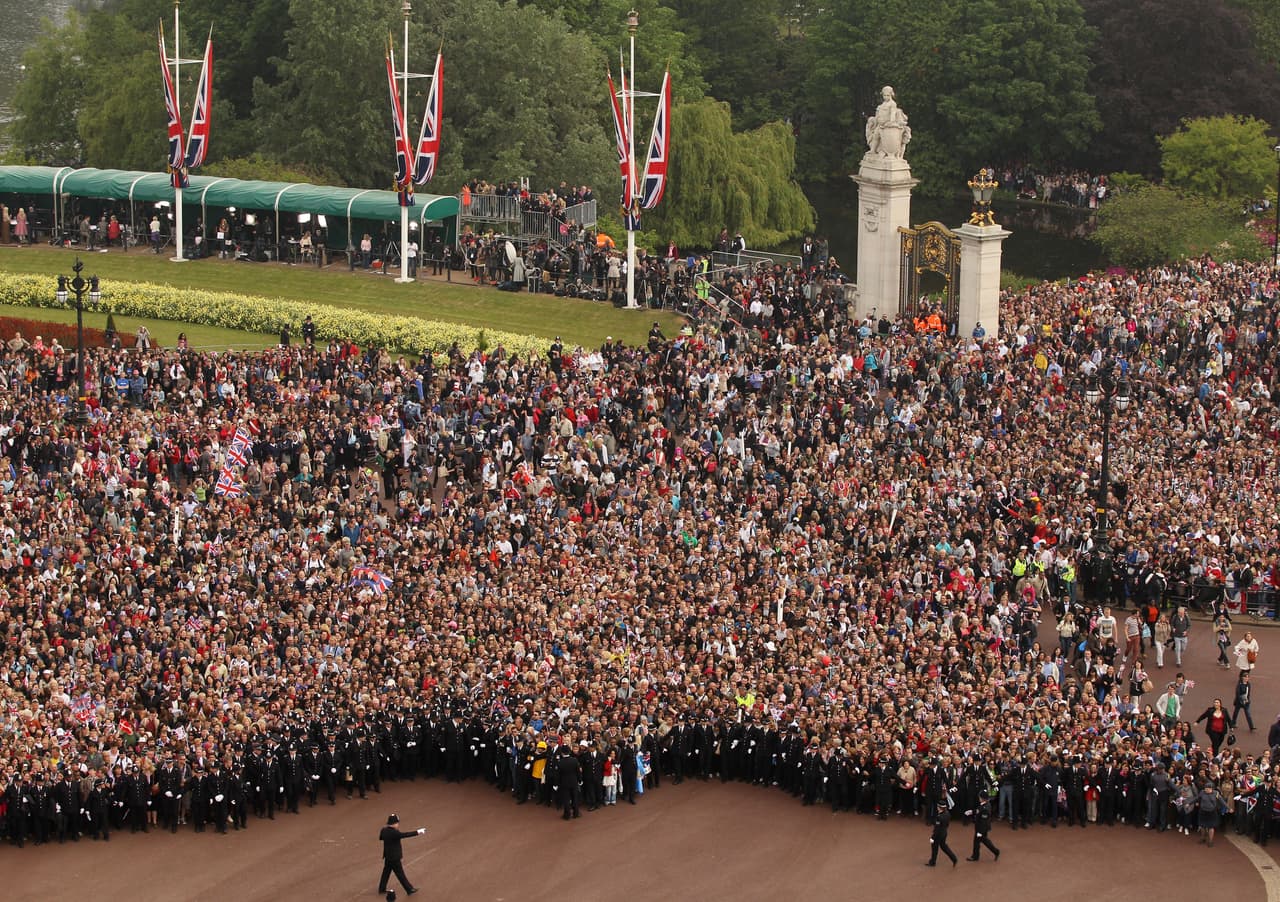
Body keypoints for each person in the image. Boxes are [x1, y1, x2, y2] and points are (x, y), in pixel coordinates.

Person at [377, 814, 424, 896]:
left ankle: (382, 888)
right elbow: (405, 835)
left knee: (386, 872)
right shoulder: (394, 832)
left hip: (387, 856)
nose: (398, 824)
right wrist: (417, 832)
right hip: (394, 857)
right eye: (397, 823)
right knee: (400, 874)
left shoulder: (384, 830)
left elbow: (381, 838)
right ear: (394, 823)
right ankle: (409, 889)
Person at [966, 795, 999, 861]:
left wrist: (980, 832)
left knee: (979, 841)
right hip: (980, 828)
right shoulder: (984, 805)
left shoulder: (985, 808)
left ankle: (975, 856)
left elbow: (984, 822)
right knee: (982, 841)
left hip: (982, 828)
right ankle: (995, 852)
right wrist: (972, 812)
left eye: (980, 797)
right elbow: (978, 810)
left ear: (983, 799)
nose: (979, 798)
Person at [927, 799, 957, 867]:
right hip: (944, 833)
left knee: (935, 848)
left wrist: (932, 837)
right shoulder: (947, 814)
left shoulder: (939, 817)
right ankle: (953, 858)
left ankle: (932, 862)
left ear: (939, 807)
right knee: (944, 847)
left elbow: (937, 829)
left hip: (938, 835)